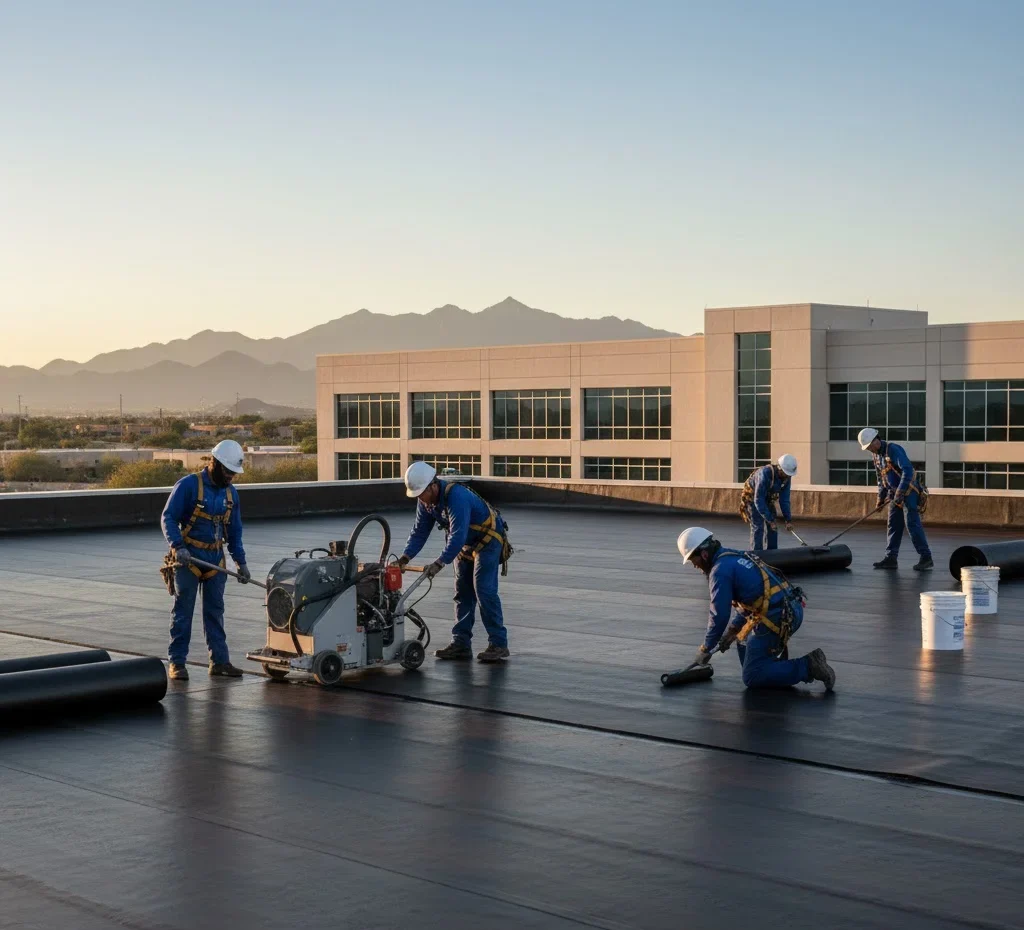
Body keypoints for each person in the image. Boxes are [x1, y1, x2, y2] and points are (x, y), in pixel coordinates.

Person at [676, 526, 835, 690]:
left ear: (704, 554)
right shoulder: (733, 556)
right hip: (787, 609)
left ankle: (808, 666)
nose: (694, 565)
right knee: (742, 639)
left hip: (778, 618)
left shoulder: (719, 572)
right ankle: (772, 667)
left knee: (752, 676)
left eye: (692, 560)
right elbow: (752, 599)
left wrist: (706, 648)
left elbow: (719, 616)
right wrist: (732, 631)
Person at [397, 461, 511, 662]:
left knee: (483, 589)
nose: (421, 500)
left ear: (433, 485)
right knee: (462, 592)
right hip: (465, 545)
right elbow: (420, 531)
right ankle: (461, 644)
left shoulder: (456, 497)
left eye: (422, 494)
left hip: (488, 539)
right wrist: (405, 557)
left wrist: (440, 562)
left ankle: (498, 644)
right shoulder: (425, 502)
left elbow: (457, 535)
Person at [160, 440, 250, 680]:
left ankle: (220, 661)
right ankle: (177, 662)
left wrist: (241, 563)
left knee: (215, 612)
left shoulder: (231, 494)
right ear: (215, 464)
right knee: (183, 611)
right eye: (228, 471)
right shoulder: (189, 485)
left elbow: (235, 532)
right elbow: (168, 517)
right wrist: (177, 546)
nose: (231, 476)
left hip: (215, 560)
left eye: (234, 473)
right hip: (187, 560)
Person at [857, 428, 933, 571]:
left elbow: (908, 470)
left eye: (871, 446)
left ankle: (926, 557)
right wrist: (880, 498)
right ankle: (891, 558)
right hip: (894, 494)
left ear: (876, 440)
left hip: (909, 492)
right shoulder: (876, 456)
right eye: (868, 448)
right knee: (893, 524)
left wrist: (900, 492)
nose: (870, 450)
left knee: (912, 524)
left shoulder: (893, 449)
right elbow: (881, 479)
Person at [740, 454, 798, 550]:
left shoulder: (786, 478)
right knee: (758, 527)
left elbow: (784, 500)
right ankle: (756, 554)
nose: (787, 477)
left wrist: (788, 520)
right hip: (753, 498)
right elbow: (758, 500)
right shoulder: (765, 474)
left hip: (767, 498)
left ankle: (772, 553)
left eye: (789, 475)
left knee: (773, 528)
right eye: (785, 474)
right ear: (779, 468)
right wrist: (769, 520)